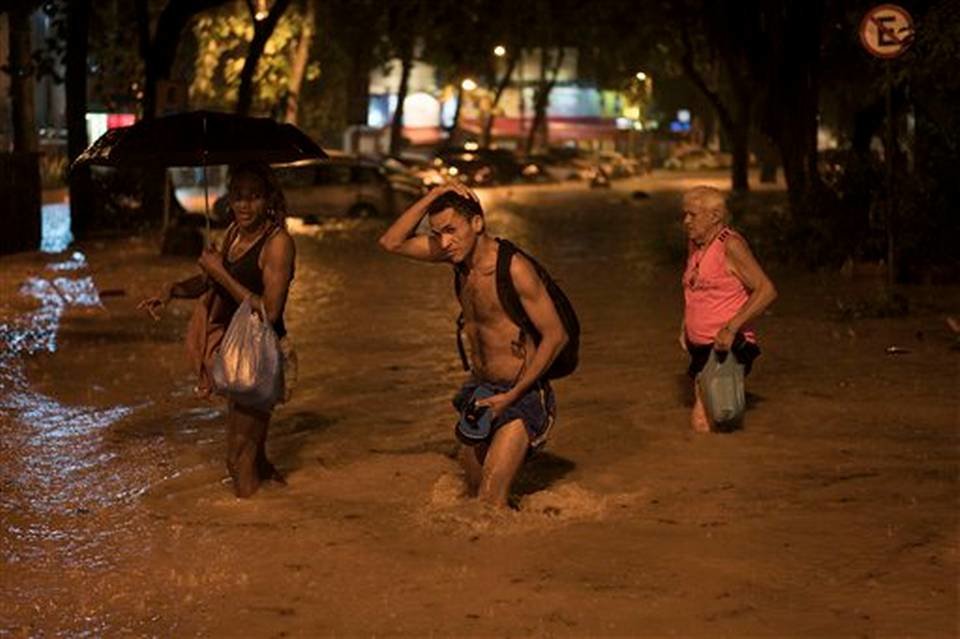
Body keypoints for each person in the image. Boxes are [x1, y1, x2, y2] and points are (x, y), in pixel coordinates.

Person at [378, 183, 568, 508]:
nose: (445, 242)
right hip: (480, 392)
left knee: (489, 504)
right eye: (438, 234)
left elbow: (556, 335)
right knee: (468, 494)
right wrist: (433, 195)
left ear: (477, 223)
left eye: (452, 230)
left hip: (519, 395)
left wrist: (512, 394)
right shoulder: (457, 258)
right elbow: (390, 241)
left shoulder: (514, 268)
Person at [139, 162, 296, 497]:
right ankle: (284, 522)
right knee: (257, 459)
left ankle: (249, 536)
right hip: (236, 349)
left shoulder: (278, 243)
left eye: (253, 197)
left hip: (262, 353)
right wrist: (172, 290)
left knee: (237, 459)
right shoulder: (233, 234)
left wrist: (220, 271)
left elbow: (270, 310)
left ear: (268, 199)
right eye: (238, 196)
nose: (243, 205)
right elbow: (211, 284)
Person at [680, 186, 777, 432]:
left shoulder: (731, 246)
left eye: (692, 215)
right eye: (684, 215)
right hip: (700, 346)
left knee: (706, 420)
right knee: (716, 421)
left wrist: (731, 328)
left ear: (714, 217)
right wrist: (685, 325)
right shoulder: (695, 244)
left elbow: (766, 290)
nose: (686, 221)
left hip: (725, 346)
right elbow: (694, 286)